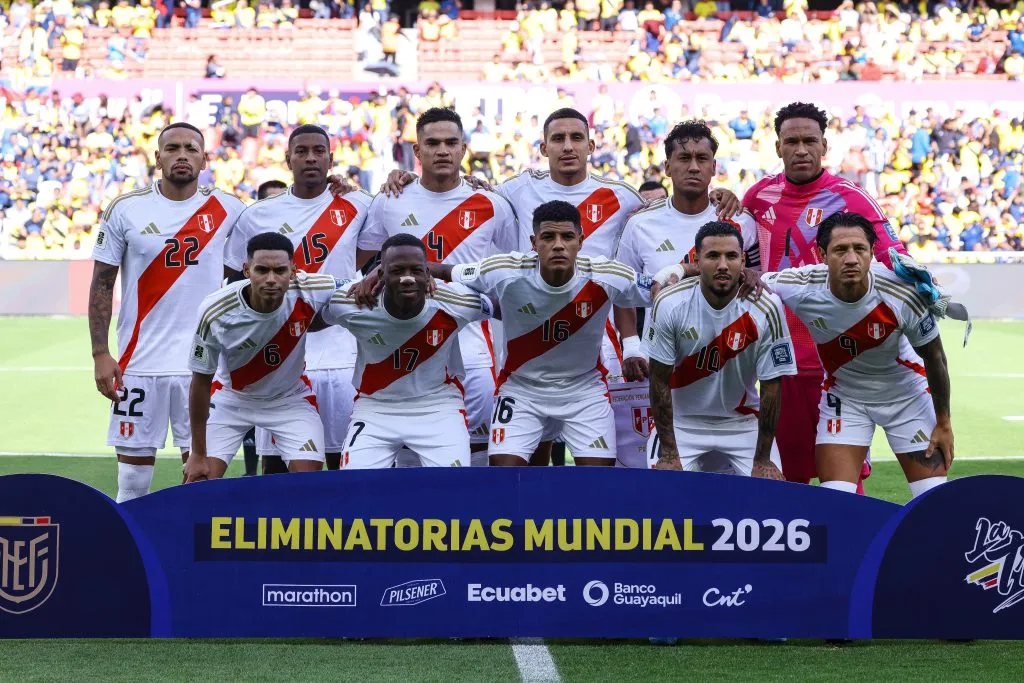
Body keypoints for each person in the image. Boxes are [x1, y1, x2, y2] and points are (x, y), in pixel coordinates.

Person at [743, 101, 908, 491]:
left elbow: (896, 262)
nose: (801, 149)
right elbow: (741, 261)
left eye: (809, 141)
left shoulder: (852, 199)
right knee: (786, 474)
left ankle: (852, 547)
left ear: (824, 146)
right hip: (777, 356)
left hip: (839, 357)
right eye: (792, 141)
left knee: (843, 475)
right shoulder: (757, 197)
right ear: (778, 147)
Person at [422, 200, 655, 466]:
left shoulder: (606, 274)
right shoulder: (504, 270)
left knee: (596, 486)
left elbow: (661, 288)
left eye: (567, 236)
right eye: (548, 237)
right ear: (534, 243)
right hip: (522, 389)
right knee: (506, 481)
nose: (558, 245)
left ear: (581, 240)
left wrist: (684, 270)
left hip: (584, 390)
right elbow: (445, 270)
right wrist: (382, 271)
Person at [90, 122, 245, 502]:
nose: (181, 155)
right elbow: (102, 284)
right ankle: (130, 559)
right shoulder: (126, 209)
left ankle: (189, 561)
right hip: (138, 363)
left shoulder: (229, 209)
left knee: (200, 478)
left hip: (203, 365)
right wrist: (99, 353)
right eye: (172, 148)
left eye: (191, 148)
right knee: (132, 482)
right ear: (157, 157)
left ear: (205, 159)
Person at [357, 108, 518, 465]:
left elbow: (510, 280)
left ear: (464, 149)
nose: (442, 150)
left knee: (473, 462)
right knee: (408, 461)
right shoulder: (390, 200)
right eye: (432, 143)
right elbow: (363, 265)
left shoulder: (493, 204)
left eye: (450, 143)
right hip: (403, 353)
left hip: (475, 354)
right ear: (417, 151)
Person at [762, 212, 953, 498]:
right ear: (822, 255)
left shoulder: (902, 293)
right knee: (836, 500)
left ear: (872, 253)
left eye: (859, 249)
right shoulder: (800, 285)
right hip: (845, 400)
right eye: (840, 250)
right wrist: (676, 274)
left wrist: (944, 424)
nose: (851, 259)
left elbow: (935, 357)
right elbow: (748, 281)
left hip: (907, 398)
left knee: (935, 501)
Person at [225, 125, 374, 474]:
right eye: (302, 151)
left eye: (319, 151)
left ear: (330, 158)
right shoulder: (258, 214)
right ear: (287, 158)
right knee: (278, 468)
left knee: (343, 462)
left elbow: (382, 249)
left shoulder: (360, 204)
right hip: (280, 358)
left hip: (344, 353)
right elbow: (234, 279)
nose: (310, 158)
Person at [321, 234, 496, 468]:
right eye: (397, 270)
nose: (407, 279)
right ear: (380, 275)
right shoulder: (353, 304)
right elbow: (309, 320)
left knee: (452, 491)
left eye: (416, 270)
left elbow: (503, 305)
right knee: (356, 490)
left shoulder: (456, 302)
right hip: (375, 408)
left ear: (427, 273)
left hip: (438, 407)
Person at [184, 233, 343, 482]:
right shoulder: (215, 311)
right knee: (198, 483)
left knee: (310, 487)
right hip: (231, 398)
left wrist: (375, 277)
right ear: (247, 270)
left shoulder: (311, 288)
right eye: (262, 270)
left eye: (280, 270)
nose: (271, 279)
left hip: (289, 400)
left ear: (293, 270)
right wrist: (198, 453)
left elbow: (360, 287)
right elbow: (200, 382)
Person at [644, 221, 794, 477]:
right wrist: (669, 453)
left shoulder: (767, 307)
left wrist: (763, 459)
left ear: (743, 260)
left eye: (731, 256)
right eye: (713, 256)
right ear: (697, 260)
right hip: (681, 422)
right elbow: (658, 381)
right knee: (662, 496)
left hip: (743, 422)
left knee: (772, 499)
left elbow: (771, 387)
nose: (723, 265)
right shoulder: (670, 303)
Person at [240, 179, 289, 477]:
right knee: (258, 436)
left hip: (295, 369)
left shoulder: (298, 280)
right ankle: (249, 474)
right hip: (254, 366)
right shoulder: (241, 281)